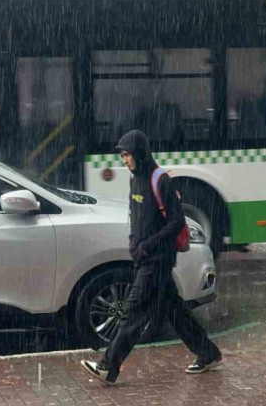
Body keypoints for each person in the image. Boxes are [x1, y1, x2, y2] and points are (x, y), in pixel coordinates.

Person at [80, 130, 222, 384]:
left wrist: (149, 244)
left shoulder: (160, 180)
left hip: (158, 260)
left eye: (127, 155)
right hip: (145, 257)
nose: (124, 161)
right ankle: (207, 353)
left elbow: (177, 221)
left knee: (133, 311)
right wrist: (135, 244)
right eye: (122, 156)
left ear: (140, 153)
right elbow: (138, 216)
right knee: (175, 311)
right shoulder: (135, 179)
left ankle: (108, 366)